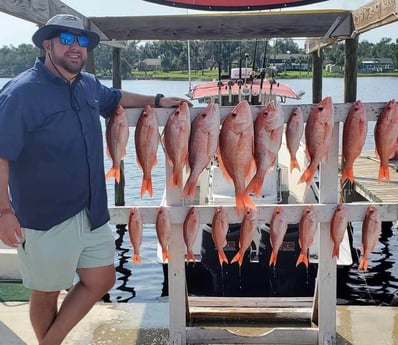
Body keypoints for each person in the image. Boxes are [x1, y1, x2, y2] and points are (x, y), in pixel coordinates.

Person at [0, 14, 190, 345]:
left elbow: (116, 97)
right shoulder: (21, 93)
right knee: (45, 293)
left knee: (101, 279)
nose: (76, 48)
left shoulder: (87, 84)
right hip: (45, 216)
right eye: (67, 40)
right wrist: (4, 212)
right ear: (48, 44)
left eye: (83, 42)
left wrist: (157, 101)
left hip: (92, 212)